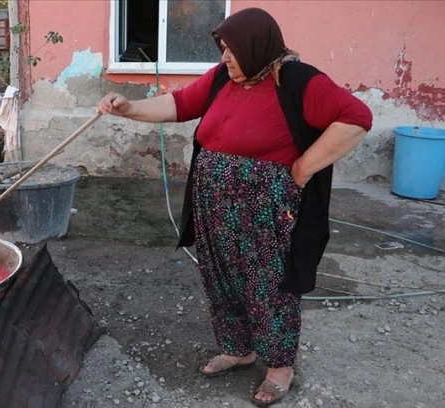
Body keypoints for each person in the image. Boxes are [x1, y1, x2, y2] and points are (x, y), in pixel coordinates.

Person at [97, 7, 373, 407]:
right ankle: (238, 348)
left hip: (266, 210)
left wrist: (301, 169)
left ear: (257, 46)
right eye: (223, 49)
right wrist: (130, 108)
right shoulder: (223, 77)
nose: (224, 57)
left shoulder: (296, 80)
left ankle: (279, 367)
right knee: (220, 276)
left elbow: (357, 117)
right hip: (213, 204)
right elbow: (179, 104)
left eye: (232, 49)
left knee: (269, 286)